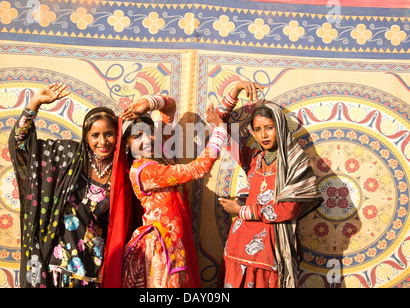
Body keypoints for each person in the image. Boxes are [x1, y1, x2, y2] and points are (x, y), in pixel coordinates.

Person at [9, 82, 134, 288]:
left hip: (93, 270)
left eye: (109, 134)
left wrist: (149, 104)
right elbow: (21, 144)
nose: (102, 141)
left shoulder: (124, 171)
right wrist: (35, 103)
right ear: (86, 137)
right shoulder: (67, 156)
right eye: (95, 135)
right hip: (55, 264)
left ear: (118, 135)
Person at [217, 81, 323, 288]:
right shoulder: (253, 159)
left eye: (269, 128)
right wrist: (236, 89)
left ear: (280, 127)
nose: (263, 135)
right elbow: (219, 125)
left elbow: (288, 210)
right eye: (257, 129)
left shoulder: (296, 163)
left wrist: (241, 211)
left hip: (270, 252)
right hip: (237, 248)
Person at [120, 94, 227, 288]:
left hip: (173, 242)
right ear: (127, 144)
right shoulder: (145, 170)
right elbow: (198, 169)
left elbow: (169, 107)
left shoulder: (160, 152)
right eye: (137, 136)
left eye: (150, 131)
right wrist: (220, 133)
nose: (147, 139)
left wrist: (147, 103)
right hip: (160, 249)